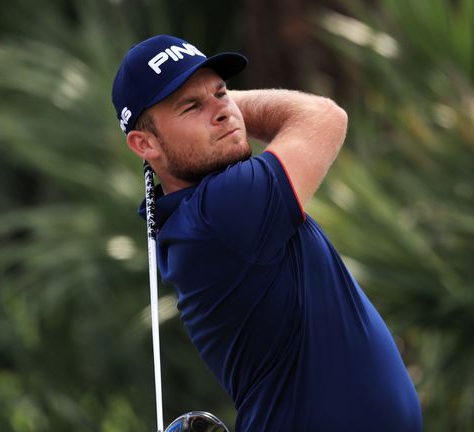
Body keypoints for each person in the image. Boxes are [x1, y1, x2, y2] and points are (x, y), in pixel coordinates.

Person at [112, 34, 423, 431]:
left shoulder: (201, 215)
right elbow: (324, 117)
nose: (223, 111)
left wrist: (209, 106)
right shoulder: (224, 211)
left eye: (222, 93)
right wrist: (224, 101)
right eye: (190, 106)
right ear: (145, 143)